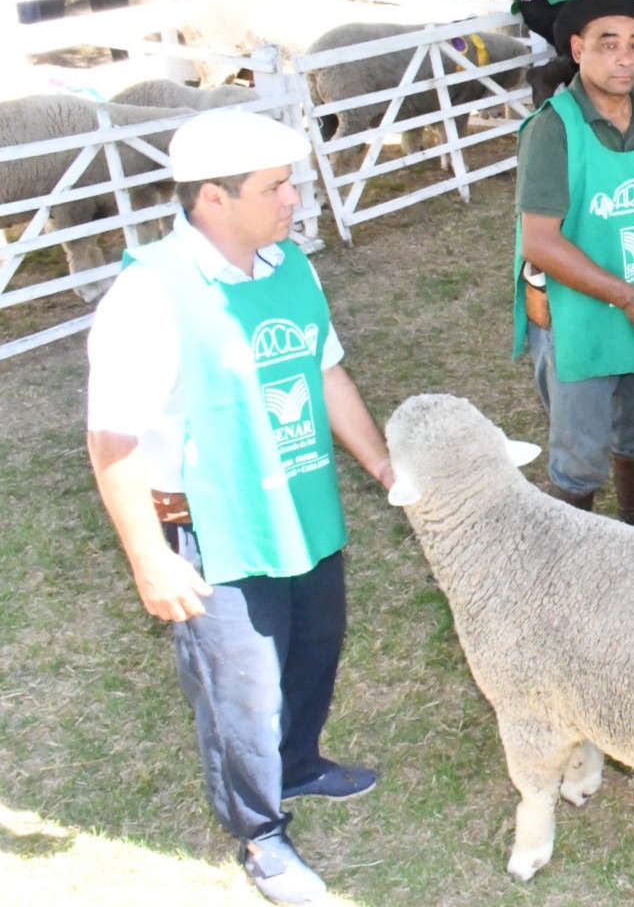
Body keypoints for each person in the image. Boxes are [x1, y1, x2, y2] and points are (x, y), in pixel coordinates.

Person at [85, 110, 394, 906]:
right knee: (241, 689)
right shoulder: (148, 294)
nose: (295, 198)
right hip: (212, 525)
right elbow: (111, 438)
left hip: (299, 500)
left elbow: (325, 375)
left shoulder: (291, 266)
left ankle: (299, 762)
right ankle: (260, 834)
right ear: (213, 200)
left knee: (317, 646)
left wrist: (384, 465)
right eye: (277, 187)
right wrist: (150, 558)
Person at [513, 0, 634, 522]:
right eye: (608, 43)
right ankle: (574, 575)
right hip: (579, 319)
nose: (625, 57)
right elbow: (539, 241)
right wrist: (630, 298)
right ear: (577, 48)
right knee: (580, 458)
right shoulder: (552, 128)